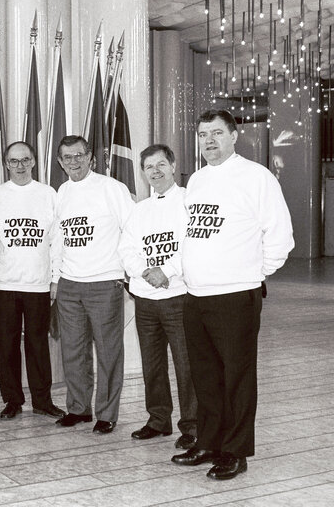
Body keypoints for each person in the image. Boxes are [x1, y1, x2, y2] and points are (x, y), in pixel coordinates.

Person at [171, 109, 294, 480]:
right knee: (205, 375)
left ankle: (236, 451)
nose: (209, 141)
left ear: (234, 136)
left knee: (237, 377)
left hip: (235, 296)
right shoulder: (196, 180)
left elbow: (280, 237)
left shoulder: (257, 177)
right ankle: (209, 442)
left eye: (217, 134)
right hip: (195, 295)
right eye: (203, 134)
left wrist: (253, 275)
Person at [51, 135, 134, 433]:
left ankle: (107, 413)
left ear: (91, 158)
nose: (73, 162)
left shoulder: (112, 189)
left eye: (79, 156)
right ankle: (78, 408)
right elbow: (59, 239)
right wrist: (55, 279)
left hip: (104, 283)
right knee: (73, 350)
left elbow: (132, 230)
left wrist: (124, 273)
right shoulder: (61, 192)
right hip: (70, 284)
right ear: (60, 162)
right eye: (67, 158)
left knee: (108, 352)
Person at [118, 144, 197, 450]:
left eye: (161, 164)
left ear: (173, 165)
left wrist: (167, 271)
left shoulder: (189, 201)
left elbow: (193, 244)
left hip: (179, 296)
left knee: (186, 365)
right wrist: (145, 272)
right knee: (152, 364)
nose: (155, 171)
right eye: (149, 167)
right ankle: (158, 420)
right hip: (146, 298)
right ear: (143, 172)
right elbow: (126, 249)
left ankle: (191, 426)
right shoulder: (139, 210)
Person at [0, 141, 64, 421]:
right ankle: (12, 400)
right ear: (6, 163)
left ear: (33, 162)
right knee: (7, 344)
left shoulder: (48, 194)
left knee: (38, 344)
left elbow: (57, 241)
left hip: (38, 284)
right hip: (4, 283)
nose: (19, 166)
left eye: (25, 160)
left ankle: (42, 400)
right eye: (14, 161)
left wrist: (55, 279)